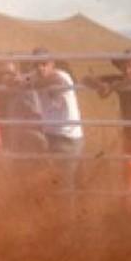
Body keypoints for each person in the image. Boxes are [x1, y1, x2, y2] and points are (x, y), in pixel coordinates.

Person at [87, 54, 131, 218]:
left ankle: (128, 217)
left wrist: (113, 86)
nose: (127, 70)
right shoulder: (122, 80)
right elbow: (86, 78)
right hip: (130, 138)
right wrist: (100, 85)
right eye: (125, 67)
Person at [31, 49, 84, 190]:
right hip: (50, 136)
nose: (40, 68)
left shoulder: (62, 76)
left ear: (52, 64)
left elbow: (56, 81)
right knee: (50, 181)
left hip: (68, 138)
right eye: (36, 65)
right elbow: (16, 80)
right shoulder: (35, 76)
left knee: (64, 184)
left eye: (44, 64)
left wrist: (30, 84)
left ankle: (66, 212)